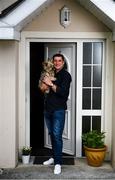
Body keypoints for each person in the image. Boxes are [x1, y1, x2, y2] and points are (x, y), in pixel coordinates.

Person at [42, 53, 72, 175]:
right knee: (52, 135)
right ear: (53, 62)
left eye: (59, 61)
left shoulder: (66, 75)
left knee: (57, 135)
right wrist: (44, 82)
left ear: (63, 62)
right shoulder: (50, 73)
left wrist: (50, 84)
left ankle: (58, 163)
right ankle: (54, 157)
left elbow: (63, 93)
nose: (57, 63)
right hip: (47, 109)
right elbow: (42, 89)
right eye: (55, 61)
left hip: (58, 110)